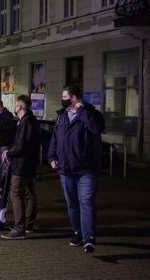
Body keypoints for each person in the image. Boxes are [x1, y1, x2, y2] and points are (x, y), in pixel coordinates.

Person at [48, 86, 105, 253]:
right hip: (66, 169)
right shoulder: (61, 116)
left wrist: (82, 111)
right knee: (72, 204)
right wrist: (51, 157)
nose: (62, 99)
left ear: (74, 98)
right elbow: (55, 138)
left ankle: (89, 238)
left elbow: (96, 128)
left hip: (86, 169)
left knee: (86, 202)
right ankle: (77, 232)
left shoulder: (91, 113)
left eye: (65, 96)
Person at [0, 95, 40, 240]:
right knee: (29, 193)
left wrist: (9, 152)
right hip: (29, 164)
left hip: (22, 165)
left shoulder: (26, 122)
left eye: (16, 105)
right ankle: (28, 224)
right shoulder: (30, 120)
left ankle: (19, 228)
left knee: (15, 193)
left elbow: (22, 145)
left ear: (20, 107)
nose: (14, 107)